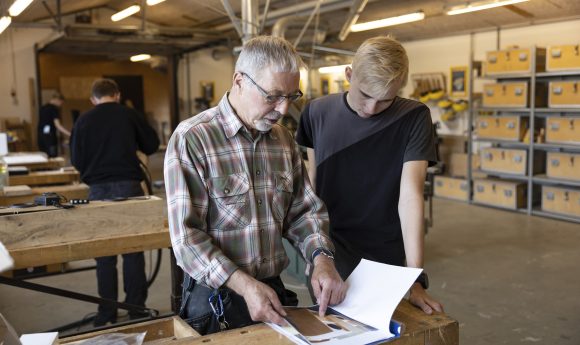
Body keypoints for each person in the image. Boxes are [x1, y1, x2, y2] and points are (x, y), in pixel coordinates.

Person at [164, 36, 346, 335]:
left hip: (272, 290)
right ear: (239, 80)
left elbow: (303, 212)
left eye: (292, 96)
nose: (284, 109)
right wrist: (244, 285)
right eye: (273, 96)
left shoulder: (283, 140)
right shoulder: (193, 138)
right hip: (216, 298)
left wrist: (321, 258)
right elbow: (186, 239)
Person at [296, 36, 444, 315]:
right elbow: (313, 185)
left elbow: (411, 196)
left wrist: (414, 277)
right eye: (365, 95)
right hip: (330, 251)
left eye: (385, 100)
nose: (372, 109)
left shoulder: (414, 117)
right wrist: (313, 249)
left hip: (385, 253)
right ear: (349, 75)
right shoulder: (316, 112)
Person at [70, 78, 160, 326]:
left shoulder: (84, 120)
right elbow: (151, 144)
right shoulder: (129, 114)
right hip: (129, 188)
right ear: (118, 95)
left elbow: (76, 159)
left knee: (104, 255)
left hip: (97, 191)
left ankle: (107, 312)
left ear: (93, 99)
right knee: (133, 252)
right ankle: (136, 310)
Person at [38, 92, 70, 157]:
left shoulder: (43, 108)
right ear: (58, 100)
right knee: (52, 158)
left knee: (44, 157)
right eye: (61, 103)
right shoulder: (54, 109)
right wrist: (70, 134)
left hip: (41, 136)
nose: (60, 105)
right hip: (50, 138)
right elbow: (58, 125)